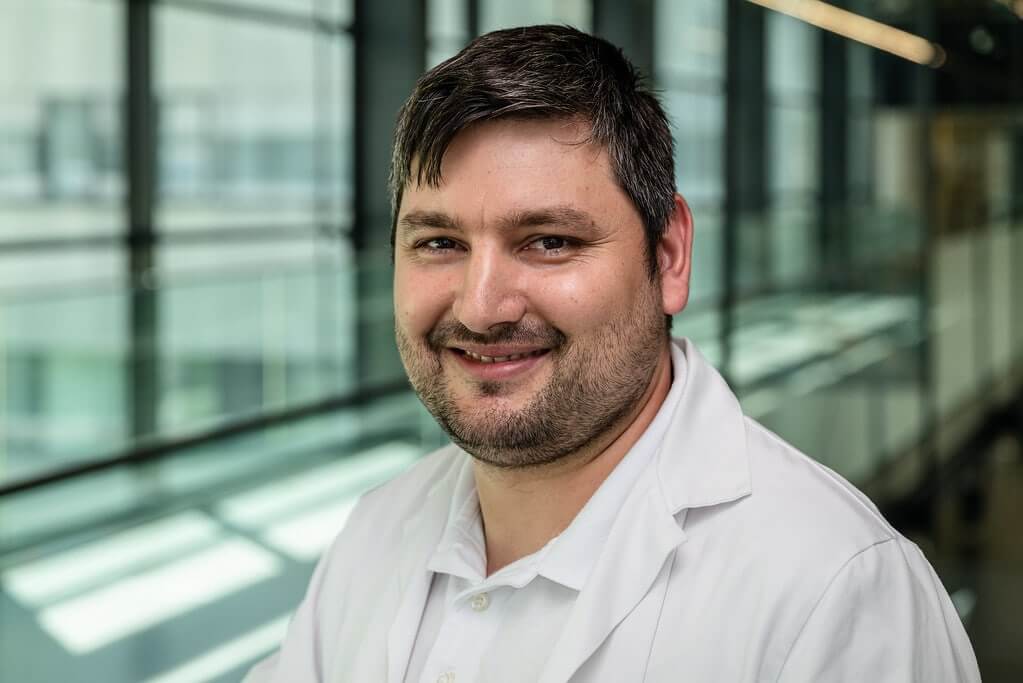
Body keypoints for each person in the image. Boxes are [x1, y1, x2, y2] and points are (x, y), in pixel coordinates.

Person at [245, 25, 980, 683]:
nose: (480, 306)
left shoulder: (835, 591)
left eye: (549, 241)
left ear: (669, 255)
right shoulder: (377, 532)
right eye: (439, 242)